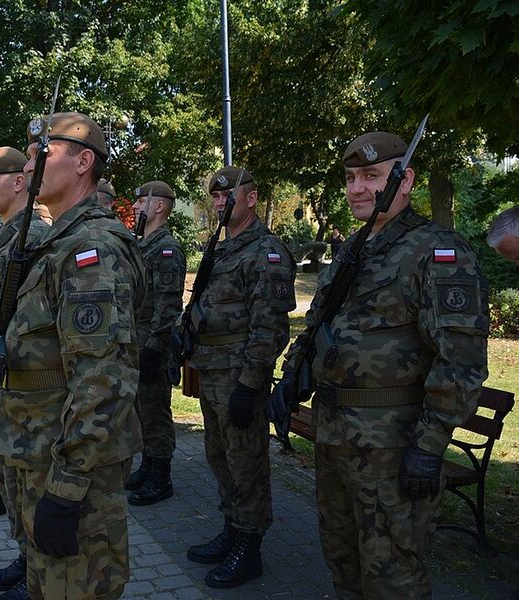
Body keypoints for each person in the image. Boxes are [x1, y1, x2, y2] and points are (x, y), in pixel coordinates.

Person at [289, 132, 489, 599]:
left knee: (392, 576)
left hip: (394, 446)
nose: (357, 188)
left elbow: (460, 361)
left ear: (404, 180)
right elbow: (321, 322)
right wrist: (295, 376)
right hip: (336, 435)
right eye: (351, 177)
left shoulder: (437, 253)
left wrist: (430, 444)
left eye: (372, 177)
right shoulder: (353, 250)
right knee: (343, 563)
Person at [0, 112, 146, 600]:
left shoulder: (90, 249)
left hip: (70, 466)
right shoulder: (59, 243)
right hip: (40, 449)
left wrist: (68, 487)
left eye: (41, 155)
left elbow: (104, 379)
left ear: (83, 162)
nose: (28, 168)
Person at [185, 166, 295, 588]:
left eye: (228, 196)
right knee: (219, 454)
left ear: (251, 198)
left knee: (245, 460)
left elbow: (269, 328)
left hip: (238, 373)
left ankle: (249, 544)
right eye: (215, 197)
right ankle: (232, 527)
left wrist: (250, 385)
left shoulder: (265, 251)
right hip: (211, 367)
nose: (219, 203)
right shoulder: (222, 248)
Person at [0, 146, 52, 599]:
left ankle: (33, 571)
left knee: (23, 481)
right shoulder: (2, 233)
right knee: (6, 475)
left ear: (19, 182)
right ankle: (25, 560)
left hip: (24, 377)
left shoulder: (35, 234)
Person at [125, 181, 187, 506]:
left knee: (156, 413)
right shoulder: (143, 244)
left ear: (159, 207)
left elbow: (168, 305)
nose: (135, 207)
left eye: (140, 202)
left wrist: (153, 347)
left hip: (152, 347)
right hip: (137, 342)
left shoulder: (166, 249)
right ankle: (148, 466)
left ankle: (161, 478)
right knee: (141, 410)